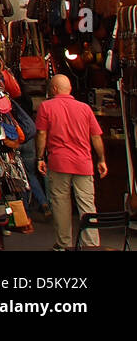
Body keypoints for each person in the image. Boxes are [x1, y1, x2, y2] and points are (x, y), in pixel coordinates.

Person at [36, 74, 107, 250]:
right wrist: (102, 159)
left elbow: (42, 134)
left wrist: (40, 157)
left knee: (61, 203)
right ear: (70, 89)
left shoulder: (46, 107)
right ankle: (90, 243)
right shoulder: (85, 108)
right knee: (87, 203)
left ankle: (63, 243)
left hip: (59, 162)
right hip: (84, 162)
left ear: (53, 89)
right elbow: (96, 136)